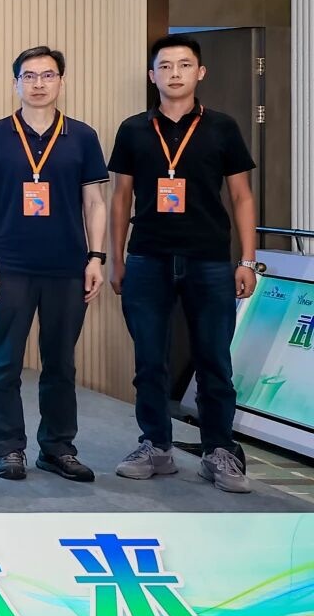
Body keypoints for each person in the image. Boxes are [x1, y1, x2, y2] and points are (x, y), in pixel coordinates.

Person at [108, 34, 258, 494]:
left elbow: (241, 196)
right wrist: (117, 259)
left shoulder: (223, 127)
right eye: (165, 66)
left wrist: (247, 259)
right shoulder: (134, 129)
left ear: (200, 72)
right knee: (149, 360)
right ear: (152, 75)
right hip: (147, 258)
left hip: (209, 260)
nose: (175, 73)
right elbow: (121, 198)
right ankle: (155, 445)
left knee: (214, 360)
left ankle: (218, 451)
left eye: (184, 65)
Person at [0, 46, 107, 483]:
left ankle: (58, 448)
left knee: (60, 363)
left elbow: (94, 202)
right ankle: (8, 447)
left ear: (61, 82)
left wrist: (96, 257)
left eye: (48, 75)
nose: (38, 84)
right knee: (6, 362)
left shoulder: (82, 136)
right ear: (16, 83)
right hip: (9, 265)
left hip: (68, 267)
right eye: (28, 76)